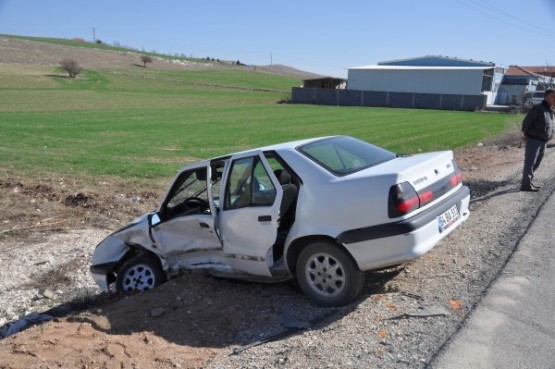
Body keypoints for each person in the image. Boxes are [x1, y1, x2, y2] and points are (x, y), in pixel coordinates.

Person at [520, 89, 555, 191]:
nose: (554, 99)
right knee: (530, 163)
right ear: (546, 97)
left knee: (536, 163)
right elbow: (526, 122)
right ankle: (525, 185)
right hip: (534, 140)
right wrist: (526, 134)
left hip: (543, 141)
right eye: (553, 96)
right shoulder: (538, 108)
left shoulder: (550, 110)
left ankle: (528, 181)